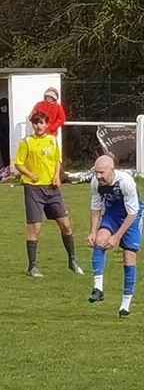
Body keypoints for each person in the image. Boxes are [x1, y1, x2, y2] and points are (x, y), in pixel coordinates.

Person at [14, 111, 83, 278]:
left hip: (52, 189)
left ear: (47, 124)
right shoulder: (26, 142)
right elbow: (18, 164)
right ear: (33, 125)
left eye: (42, 123)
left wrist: (57, 176)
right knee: (35, 227)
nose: (38, 126)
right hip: (33, 189)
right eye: (36, 123)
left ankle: (72, 261)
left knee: (65, 225)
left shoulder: (52, 140)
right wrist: (30, 175)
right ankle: (32, 267)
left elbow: (57, 161)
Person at [87, 155, 144, 318]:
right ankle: (98, 289)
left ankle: (125, 304)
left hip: (132, 216)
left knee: (129, 256)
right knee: (99, 240)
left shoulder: (126, 182)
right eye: (96, 172)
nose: (98, 176)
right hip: (112, 214)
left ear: (112, 170)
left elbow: (132, 212)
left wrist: (117, 236)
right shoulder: (96, 183)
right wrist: (92, 231)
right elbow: (96, 207)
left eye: (102, 173)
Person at [0, 97, 9, 168]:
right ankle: (5, 166)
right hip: (2, 139)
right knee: (4, 153)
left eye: (5, 106)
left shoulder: (9, 115)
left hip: (8, 138)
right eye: (2, 106)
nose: (3, 108)